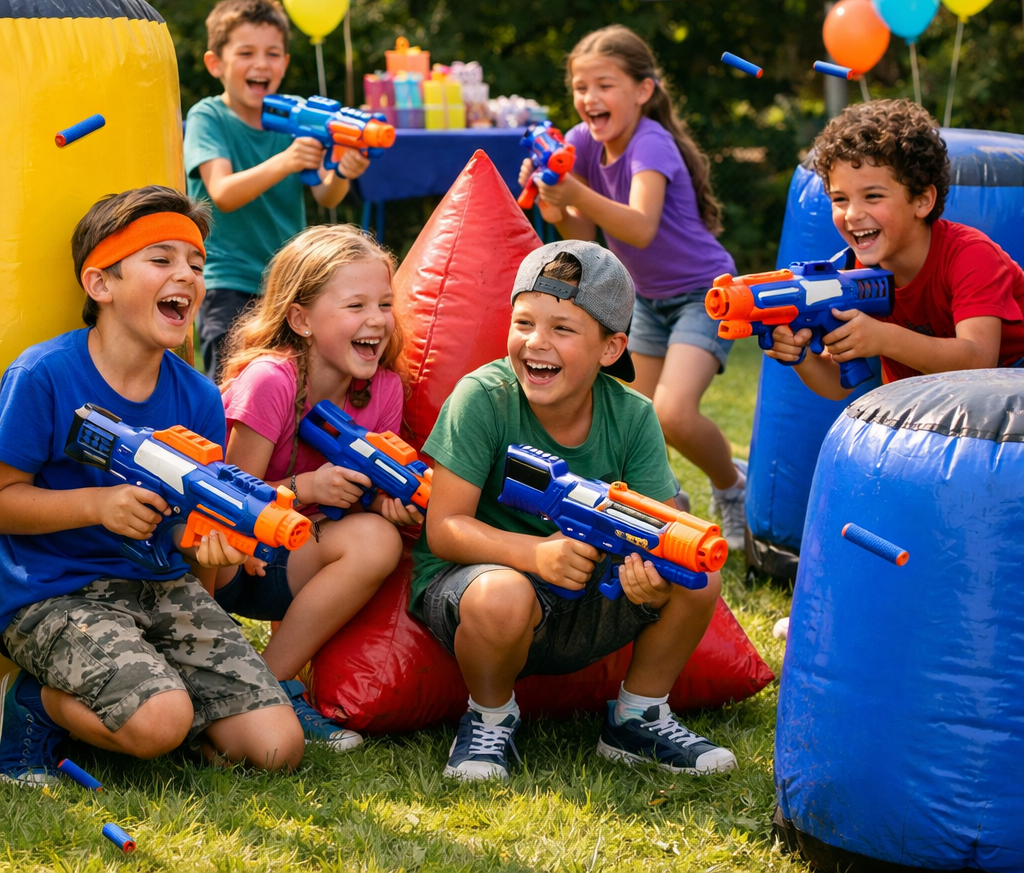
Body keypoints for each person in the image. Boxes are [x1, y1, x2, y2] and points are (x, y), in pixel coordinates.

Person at [0, 185, 304, 788]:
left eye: (196, 263)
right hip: (53, 593)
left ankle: (154, 700)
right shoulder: (45, 376)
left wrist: (211, 548)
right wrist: (99, 505)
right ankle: (33, 703)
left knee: (276, 750)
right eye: (160, 259)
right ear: (100, 285)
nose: (186, 276)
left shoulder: (195, 396)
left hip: (159, 586)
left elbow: (197, 556)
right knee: (159, 724)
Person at [409, 240, 738, 781]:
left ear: (611, 349)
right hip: (483, 590)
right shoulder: (483, 398)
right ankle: (490, 716)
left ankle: (639, 716)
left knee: (698, 579)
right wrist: (535, 554)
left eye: (563, 329)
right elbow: (443, 529)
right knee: (502, 596)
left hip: (591, 589)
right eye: (523, 323)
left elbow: (660, 522)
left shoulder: (632, 415)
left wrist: (650, 580)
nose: (536, 343)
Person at [520, 25, 746, 548]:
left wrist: (574, 189)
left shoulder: (651, 142)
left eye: (604, 84)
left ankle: (731, 485)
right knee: (633, 420)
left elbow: (640, 225)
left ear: (643, 90)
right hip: (644, 298)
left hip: (704, 292)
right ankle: (668, 506)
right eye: (580, 87)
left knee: (672, 413)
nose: (589, 98)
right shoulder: (579, 143)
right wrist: (557, 206)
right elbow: (585, 236)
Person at [214, 224, 413, 751]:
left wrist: (395, 504)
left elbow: (371, 493)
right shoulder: (270, 381)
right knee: (220, 541)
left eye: (385, 303)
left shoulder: (383, 390)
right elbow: (227, 497)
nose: (376, 320)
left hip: (296, 558)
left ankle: (272, 683)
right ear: (300, 318)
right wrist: (306, 486)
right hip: (231, 555)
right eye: (355, 306)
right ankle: (211, 683)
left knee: (379, 539)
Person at [765, 99, 1024, 397]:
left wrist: (884, 338)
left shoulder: (971, 256)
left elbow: (978, 362)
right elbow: (837, 384)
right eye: (840, 199)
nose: (852, 214)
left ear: (922, 200)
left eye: (872, 196)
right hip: (929, 409)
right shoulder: (856, 274)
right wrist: (800, 355)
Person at [184, 0, 370, 381]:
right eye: (246, 52)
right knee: (232, 385)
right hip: (227, 281)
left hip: (288, 287)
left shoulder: (299, 116)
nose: (260, 64)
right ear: (215, 63)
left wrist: (343, 171)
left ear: (285, 63)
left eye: (272, 54)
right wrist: (287, 160)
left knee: (294, 385)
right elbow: (222, 192)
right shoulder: (209, 116)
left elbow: (325, 194)